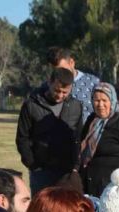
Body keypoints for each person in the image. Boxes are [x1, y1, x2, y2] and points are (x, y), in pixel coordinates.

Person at [16, 67, 83, 195]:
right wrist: (32, 164)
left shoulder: (76, 106)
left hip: (67, 171)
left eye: (65, 92)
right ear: (49, 82)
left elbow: (78, 138)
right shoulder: (31, 105)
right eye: (57, 90)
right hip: (41, 172)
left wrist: (76, 166)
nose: (60, 95)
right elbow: (22, 137)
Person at [80, 82, 119, 197]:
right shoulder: (91, 121)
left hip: (113, 189)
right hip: (89, 187)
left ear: (112, 101)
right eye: (96, 100)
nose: (100, 105)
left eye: (105, 100)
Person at [47, 46, 100, 122]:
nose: (61, 74)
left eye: (63, 69)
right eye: (57, 71)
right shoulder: (48, 87)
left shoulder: (93, 83)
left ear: (71, 63)